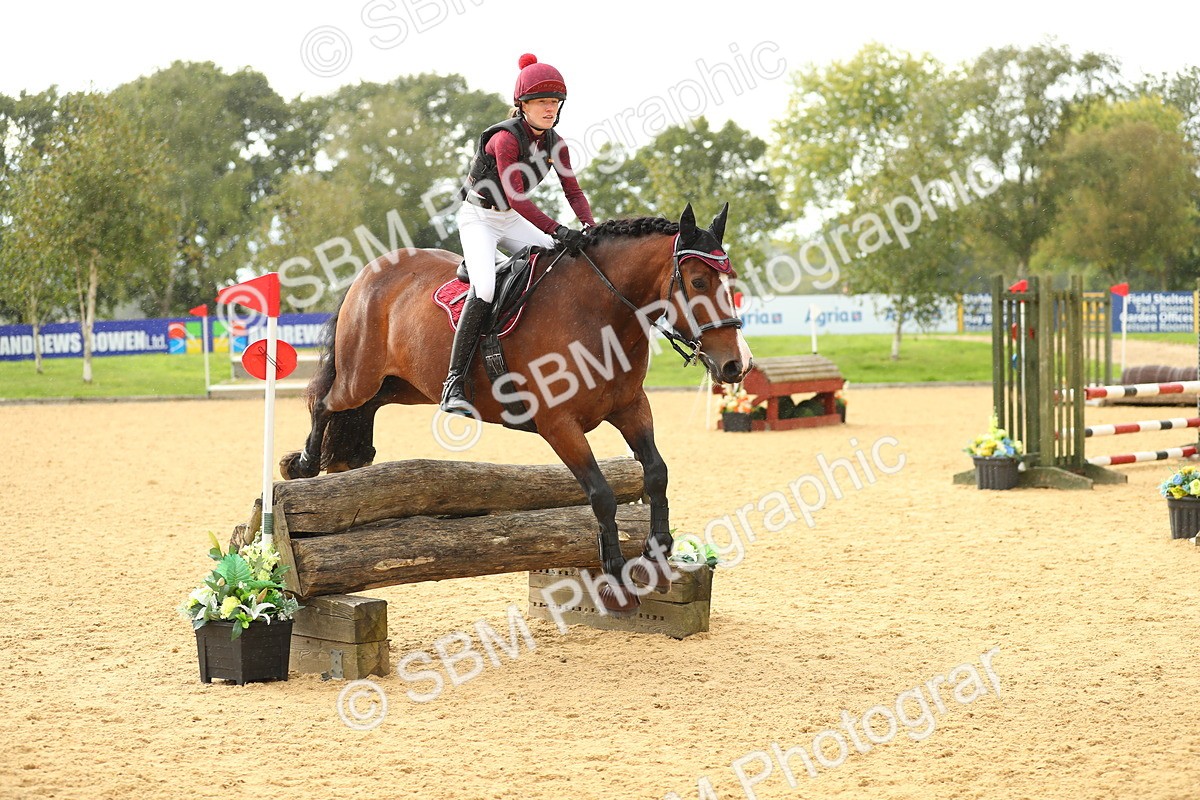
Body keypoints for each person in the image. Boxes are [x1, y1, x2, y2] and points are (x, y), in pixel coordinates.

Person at [440, 53, 596, 416]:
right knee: (486, 288)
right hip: (479, 218)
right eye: (542, 102)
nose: (550, 108)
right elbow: (516, 196)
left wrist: (588, 226)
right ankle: (453, 383)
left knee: (562, 260)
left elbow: (573, 192)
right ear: (522, 105)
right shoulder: (504, 140)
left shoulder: (557, 144)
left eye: (555, 102)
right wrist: (557, 228)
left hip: (510, 219)